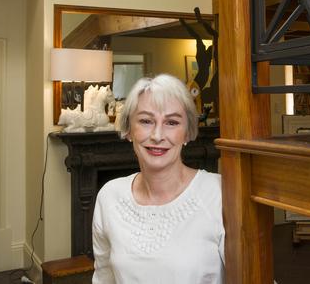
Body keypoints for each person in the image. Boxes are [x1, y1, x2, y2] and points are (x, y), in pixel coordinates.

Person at [92, 74, 224, 284]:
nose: (157, 135)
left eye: (172, 122)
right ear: (128, 130)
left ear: (187, 132)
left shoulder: (219, 193)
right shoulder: (109, 197)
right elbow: (103, 278)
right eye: (146, 121)